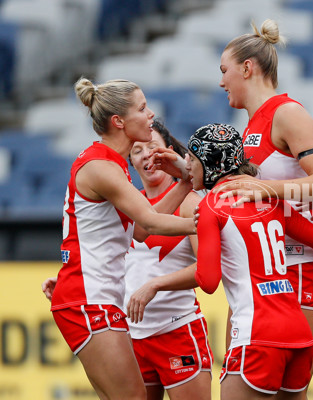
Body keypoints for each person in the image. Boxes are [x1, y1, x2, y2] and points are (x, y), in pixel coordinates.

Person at [127, 123, 313, 400]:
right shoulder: (269, 196)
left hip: (256, 335)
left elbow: (208, 282)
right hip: (297, 333)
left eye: (191, 160)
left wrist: (156, 285)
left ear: (210, 163)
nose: (187, 167)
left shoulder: (209, 207)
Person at [46, 77, 196, 400]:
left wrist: (184, 184)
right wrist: (204, 224)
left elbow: (141, 231)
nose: (151, 114)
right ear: (119, 122)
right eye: (142, 108)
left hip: (92, 298)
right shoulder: (102, 166)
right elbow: (151, 222)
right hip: (90, 300)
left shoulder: (111, 164)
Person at [215, 18, 313, 393]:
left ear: (247, 68)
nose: (221, 81)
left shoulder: (287, 113)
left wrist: (266, 188)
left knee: (285, 393)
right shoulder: (249, 125)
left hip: (298, 268)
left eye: (225, 71)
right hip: (257, 276)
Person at [124, 119, 213, 400]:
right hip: (132, 337)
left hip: (177, 330)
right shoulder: (128, 205)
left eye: (153, 147)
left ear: (168, 152)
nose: (146, 155)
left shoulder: (191, 203)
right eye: (137, 150)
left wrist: (155, 285)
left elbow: (208, 269)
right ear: (130, 161)